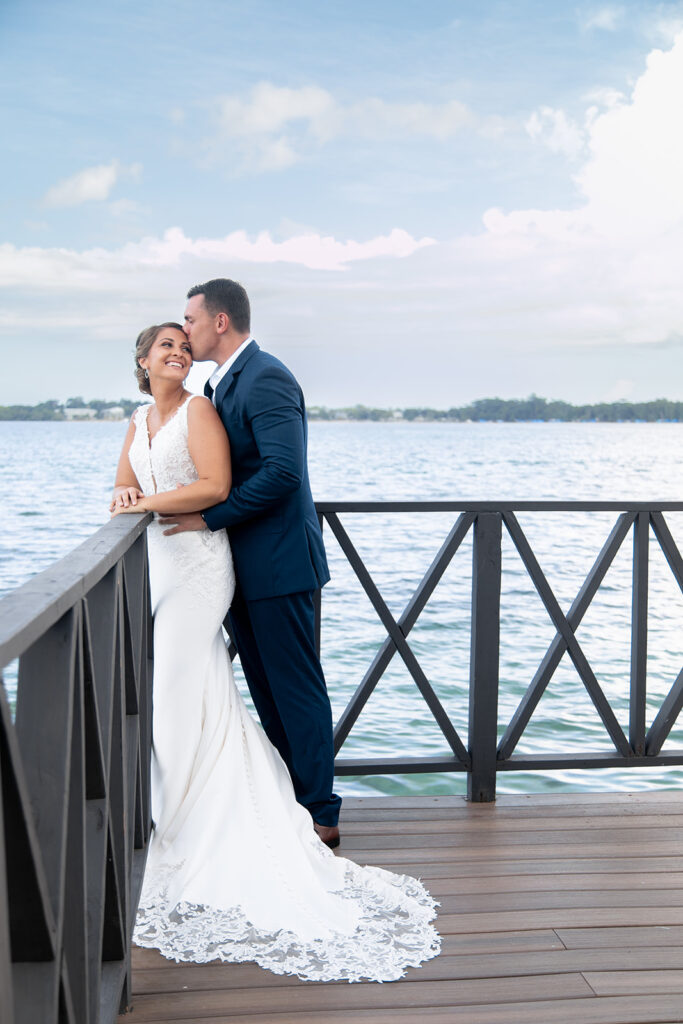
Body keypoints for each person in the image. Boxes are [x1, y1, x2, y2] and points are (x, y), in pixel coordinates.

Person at [111, 319, 440, 981]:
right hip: (160, 564)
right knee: (198, 689)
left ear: (211, 330)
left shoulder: (210, 404)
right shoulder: (138, 419)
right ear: (142, 360)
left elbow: (218, 486)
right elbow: (125, 484)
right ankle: (178, 809)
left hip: (203, 563)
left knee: (181, 688)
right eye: (165, 345)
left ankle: (178, 825)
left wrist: (148, 500)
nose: (178, 350)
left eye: (185, 339)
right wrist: (128, 497)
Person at [160, 279, 340, 848]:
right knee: (265, 688)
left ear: (218, 321)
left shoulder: (266, 377)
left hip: (282, 563)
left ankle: (322, 813)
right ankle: (289, 804)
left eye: (189, 320)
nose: (183, 330)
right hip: (242, 566)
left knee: (296, 689)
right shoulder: (222, 383)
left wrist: (210, 518)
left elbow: (284, 472)